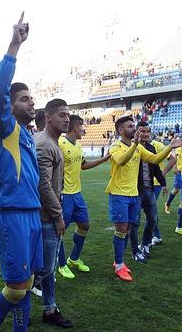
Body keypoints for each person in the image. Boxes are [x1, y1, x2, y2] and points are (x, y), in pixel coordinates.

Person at [0, 13, 66, 331]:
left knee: (29, 281)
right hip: (12, 215)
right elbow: (0, 88)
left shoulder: (27, 135)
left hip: (33, 215)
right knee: (17, 287)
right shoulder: (3, 126)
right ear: (9, 104)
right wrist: (14, 44)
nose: (32, 103)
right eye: (24, 98)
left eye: (33, 98)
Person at [106, 116, 182, 281]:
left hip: (134, 194)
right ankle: (119, 264)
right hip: (119, 194)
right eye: (130, 126)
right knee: (121, 230)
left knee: (128, 228)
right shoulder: (115, 146)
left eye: (133, 126)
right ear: (120, 130)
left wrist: (170, 146)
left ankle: (119, 261)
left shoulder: (138, 148)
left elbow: (155, 159)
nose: (133, 129)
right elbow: (121, 161)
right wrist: (135, 144)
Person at [34, 98, 73, 328]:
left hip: (47, 214)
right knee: (46, 268)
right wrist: (58, 215)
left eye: (68, 114)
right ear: (48, 117)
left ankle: (50, 308)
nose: (67, 118)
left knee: (48, 271)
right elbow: (43, 185)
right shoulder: (45, 144)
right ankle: (12, 295)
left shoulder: (50, 141)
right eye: (61, 114)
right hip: (45, 216)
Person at [56, 114, 110, 279]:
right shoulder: (60, 144)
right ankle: (62, 264)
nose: (84, 130)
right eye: (81, 126)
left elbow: (83, 165)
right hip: (64, 195)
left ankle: (74, 258)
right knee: (60, 231)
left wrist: (104, 158)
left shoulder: (78, 145)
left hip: (77, 194)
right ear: (74, 127)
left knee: (84, 225)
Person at [127, 121, 168, 260]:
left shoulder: (150, 147)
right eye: (142, 131)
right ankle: (135, 251)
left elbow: (155, 167)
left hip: (149, 189)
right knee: (135, 222)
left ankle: (145, 244)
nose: (145, 134)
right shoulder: (131, 147)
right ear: (136, 132)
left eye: (147, 131)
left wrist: (163, 183)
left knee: (152, 220)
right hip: (135, 191)